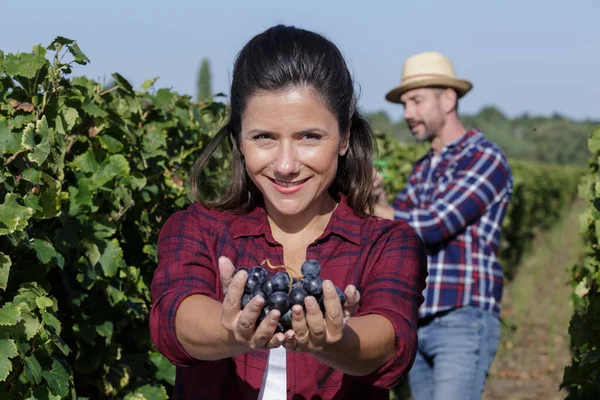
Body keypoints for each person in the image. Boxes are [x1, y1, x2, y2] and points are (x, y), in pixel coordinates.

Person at [149, 25, 428, 400]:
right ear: (239, 140)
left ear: (344, 137)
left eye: (309, 137)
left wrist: (337, 341)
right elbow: (175, 321)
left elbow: (391, 341)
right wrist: (231, 329)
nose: (285, 165)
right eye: (263, 137)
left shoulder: (388, 242)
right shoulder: (196, 229)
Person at [373, 51, 514, 400]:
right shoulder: (423, 168)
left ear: (448, 99)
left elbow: (435, 223)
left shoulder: (484, 157)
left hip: (462, 316)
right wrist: (374, 197)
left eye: (416, 101)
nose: (408, 113)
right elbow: (395, 232)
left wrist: (377, 207)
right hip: (419, 319)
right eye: (404, 104)